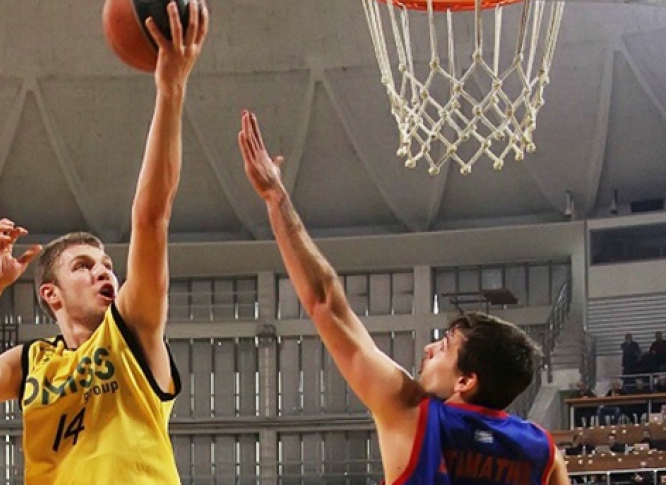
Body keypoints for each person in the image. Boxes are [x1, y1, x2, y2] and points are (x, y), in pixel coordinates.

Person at [0, 2, 208, 484]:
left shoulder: (132, 329)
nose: (103, 271)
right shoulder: (32, 363)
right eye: (83, 265)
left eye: (106, 265)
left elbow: (152, 216)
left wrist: (170, 89)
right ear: (50, 293)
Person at [236, 110, 569, 484]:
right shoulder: (544, 453)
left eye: (444, 347)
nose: (429, 348)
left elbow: (325, 302)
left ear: (465, 381)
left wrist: (275, 197)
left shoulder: (414, 413)